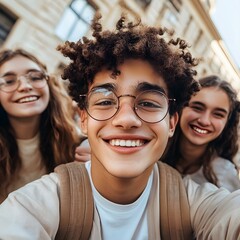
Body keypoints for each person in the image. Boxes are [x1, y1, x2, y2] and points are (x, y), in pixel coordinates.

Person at [0, 13, 240, 239]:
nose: (126, 119)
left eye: (148, 103)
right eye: (105, 101)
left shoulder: (196, 202)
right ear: (83, 118)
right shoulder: (34, 205)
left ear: (171, 123)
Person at [0, 49, 80, 203]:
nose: (25, 86)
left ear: (49, 85)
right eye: (9, 81)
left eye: (35, 77)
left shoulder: (74, 143)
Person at [162, 75, 240, 192]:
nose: (204, 121)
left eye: (218, 114)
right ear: (181, 108)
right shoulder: (154, 148)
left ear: (227, 123)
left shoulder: (225, 174)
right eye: (197, 108)